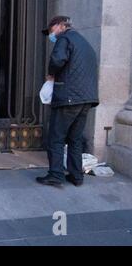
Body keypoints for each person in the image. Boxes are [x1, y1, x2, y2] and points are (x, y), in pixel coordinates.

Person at [37, 16, 99, 187]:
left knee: (56, 138)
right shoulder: (84, 43)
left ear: (60, 26)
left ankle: (55, 175)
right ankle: (76, 176)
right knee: (75, 139)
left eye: (51, 30)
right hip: (86, 98)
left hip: (68, 98)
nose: (51, 35)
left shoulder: (64, 38)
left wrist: (51, 74)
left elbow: (57, 60)